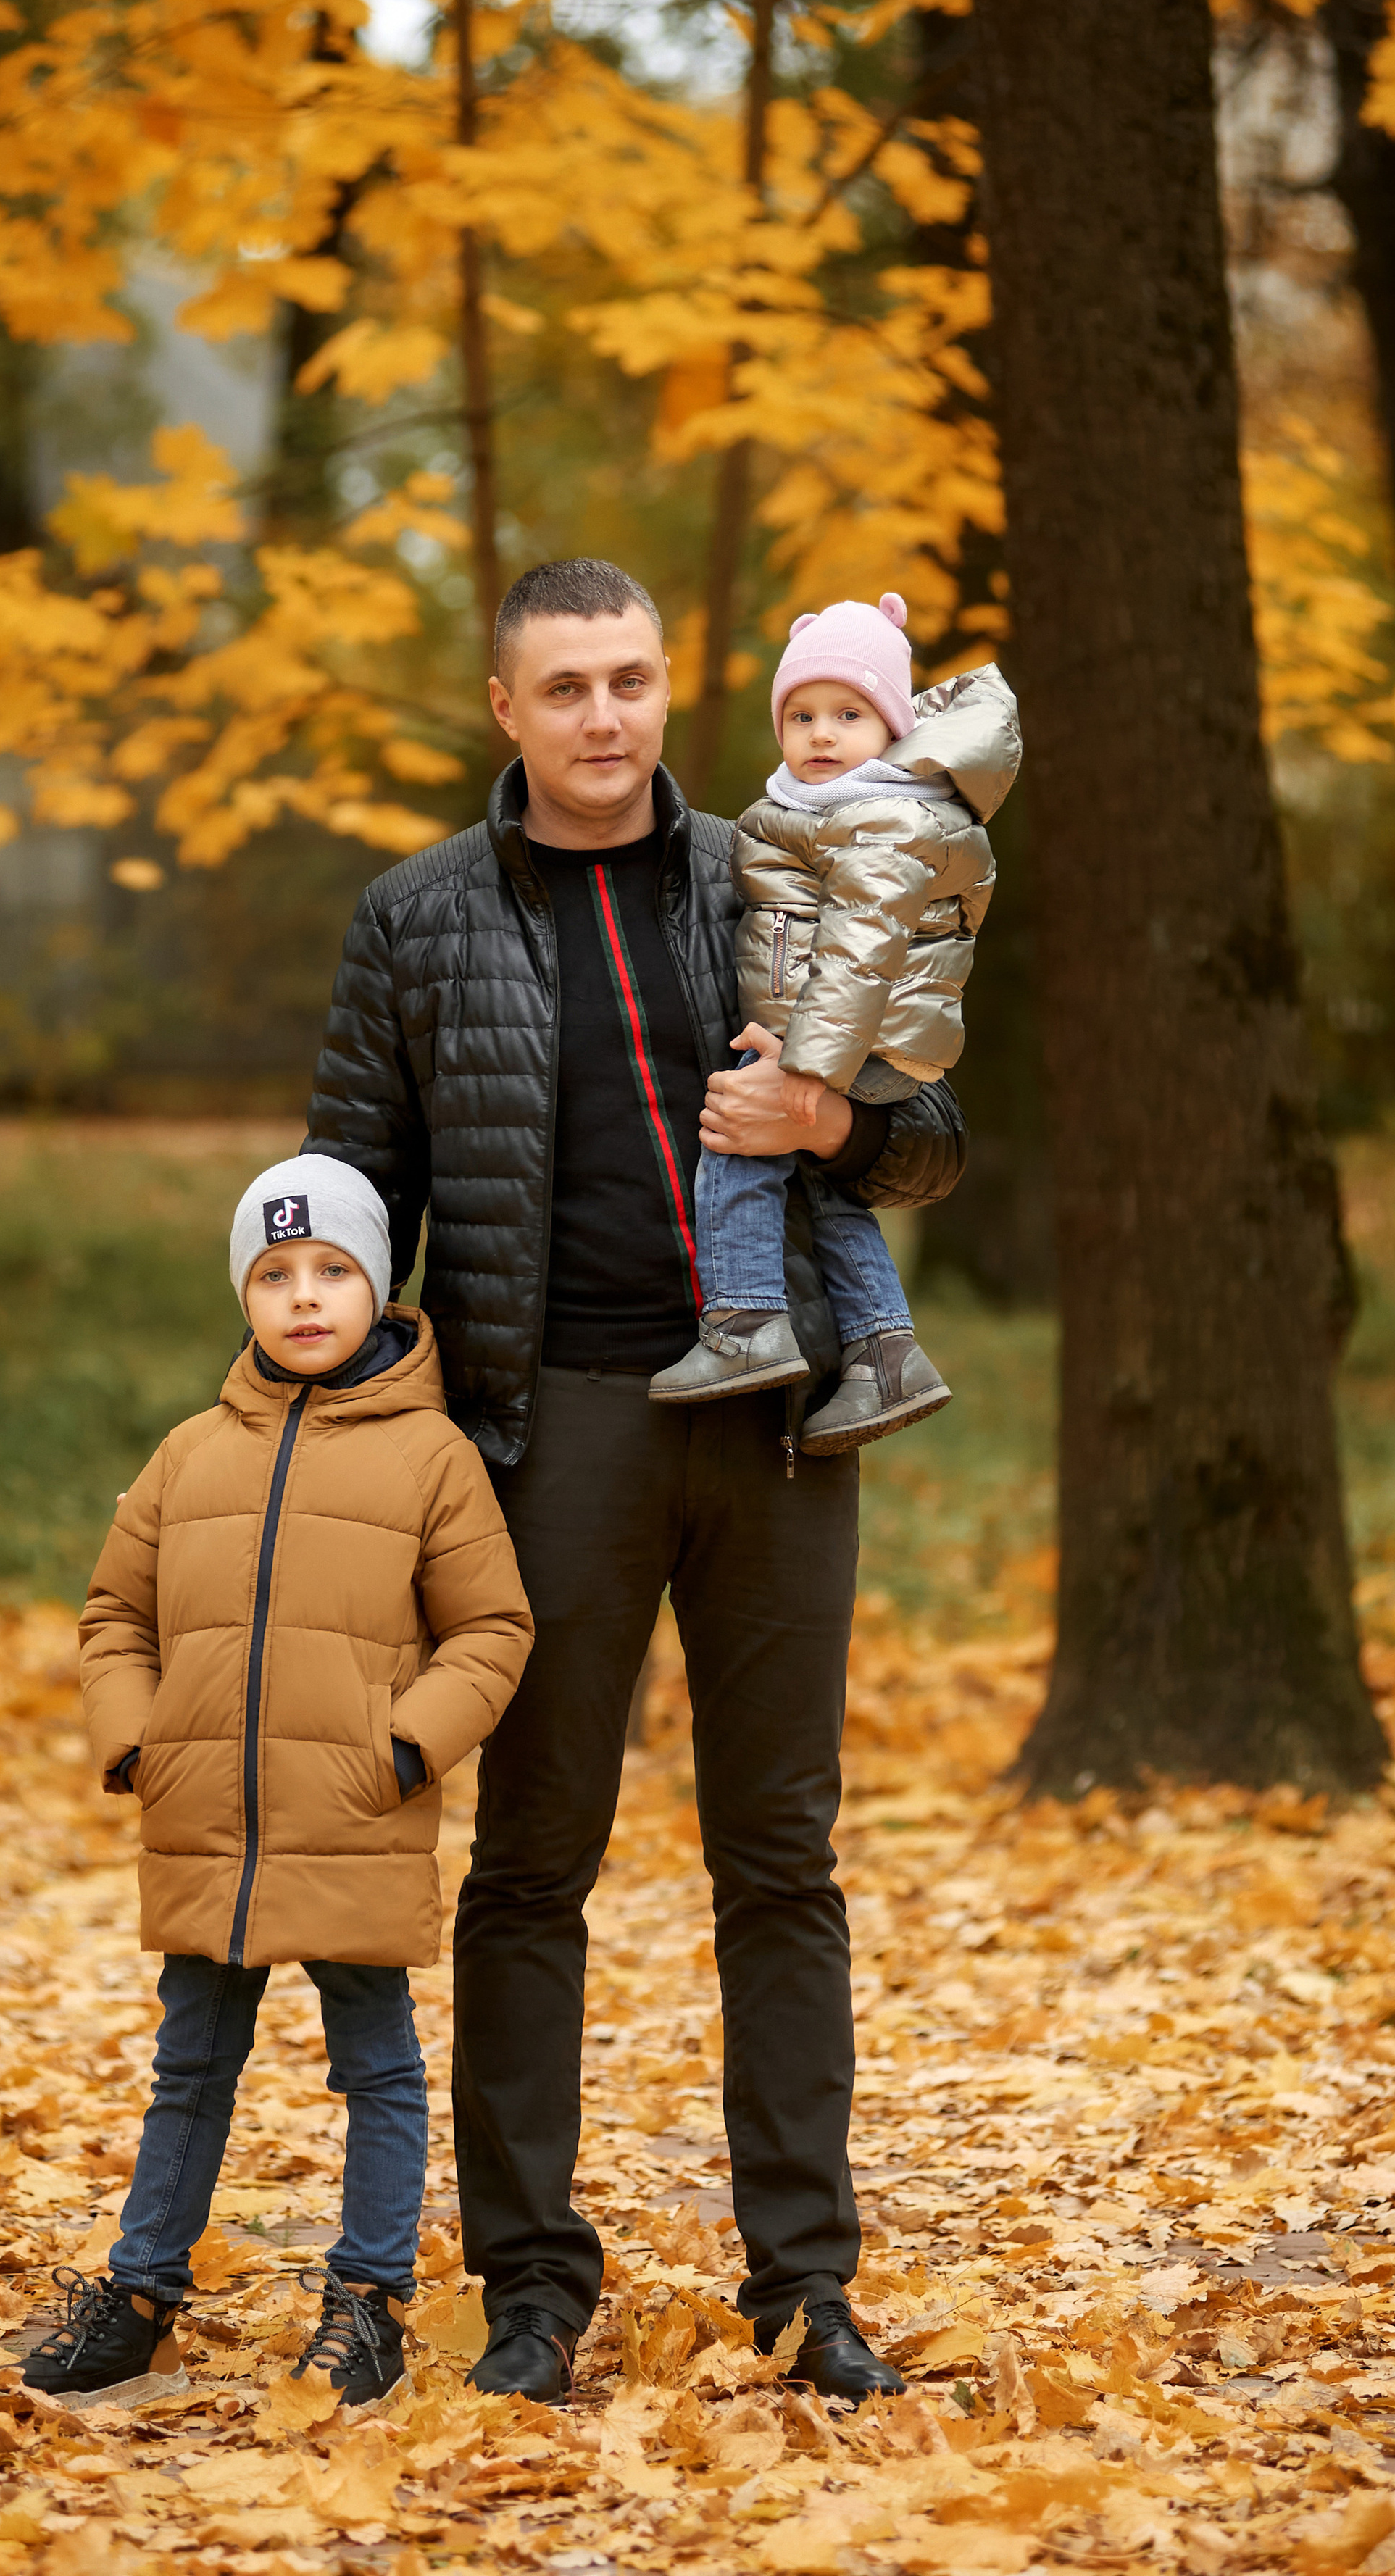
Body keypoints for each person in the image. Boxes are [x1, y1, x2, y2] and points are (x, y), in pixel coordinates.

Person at [306, 557, 968, 2406]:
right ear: (504, 708)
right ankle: (530, 2289)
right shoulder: (413, 918)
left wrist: (831, 1118)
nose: (603, 715)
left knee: (781, 1858)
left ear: (669, 687)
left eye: (629, 678)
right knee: (530, 1863)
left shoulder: (778, 863)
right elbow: (350, 1208)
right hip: (548, 1438)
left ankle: (804, 2286)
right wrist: (350, 1453)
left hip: (776, 1424)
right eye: (565, 686)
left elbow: (927, 1127)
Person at [20, 1156, 533, 2411]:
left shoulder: (432, 1458)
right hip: (207, 1817)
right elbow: (114, 1612)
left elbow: (492, 1629)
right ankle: (142, 2293)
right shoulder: (189, 1454)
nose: (304, 1295)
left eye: (332, 1270)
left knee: (377, 2065)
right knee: (190, 2064)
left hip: (354, 1814)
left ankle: (368, 2303)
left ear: (378, 1287)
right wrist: (140, 1740)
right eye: (275, 1273)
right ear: (245, 1294)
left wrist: (403, 1747)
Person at [650, 593, 1020, 1451]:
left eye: (848, 715)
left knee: (739, 1137)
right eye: (802, 715)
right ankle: (886, 1352)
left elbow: (860, 945)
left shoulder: (883, 816)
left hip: (861, 1038)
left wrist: (806, 1069)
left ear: (891, 727)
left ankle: (745, 1319)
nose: (821, 734)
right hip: (854, 1034)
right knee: (821, 1184)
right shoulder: (833, 808)